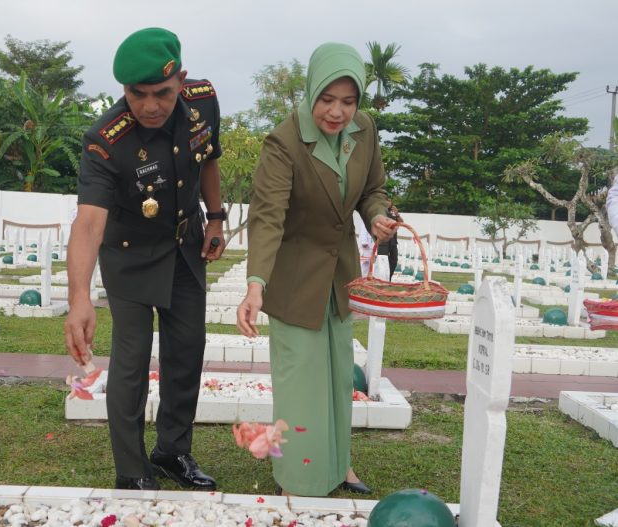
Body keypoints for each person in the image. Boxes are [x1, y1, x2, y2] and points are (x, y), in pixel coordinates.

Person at [64, 27, 226, 491]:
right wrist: (80, 298)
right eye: (139, 94)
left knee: (187, 353)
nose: (151, 105)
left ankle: (173, 451)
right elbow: (89, 223)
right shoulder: (104, 140)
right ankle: (132, 470)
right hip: (131, 257)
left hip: (185, 248)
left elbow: (208, 156)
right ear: (124, 90)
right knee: (131, 365)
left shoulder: (203, 101)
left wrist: (215, 218)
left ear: (182, 82)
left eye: (162, 93)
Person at [236, 42, 397, 497]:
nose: (337, 112)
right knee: (301, 382)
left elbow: (373, 190)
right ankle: (300, 478)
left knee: (336, 375)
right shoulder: (284, 141)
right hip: (293, 279)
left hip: (340, 275)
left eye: (348, 102)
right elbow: (267, 216)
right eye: (328, 99)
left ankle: (339, 465)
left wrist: (377, 215)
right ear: (311, 92)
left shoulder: (365, 130)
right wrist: (255, 284)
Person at [378, 198, 402, 279]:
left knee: (394, 260)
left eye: (389, 200)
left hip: (393, 241)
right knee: (383, 261)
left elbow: (401, 223)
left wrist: (397, 214)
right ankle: (382, 279)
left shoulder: (393, 212)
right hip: (383, 242)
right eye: (386, 200)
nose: (388, 202)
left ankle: (389, 278)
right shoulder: (381, 211)